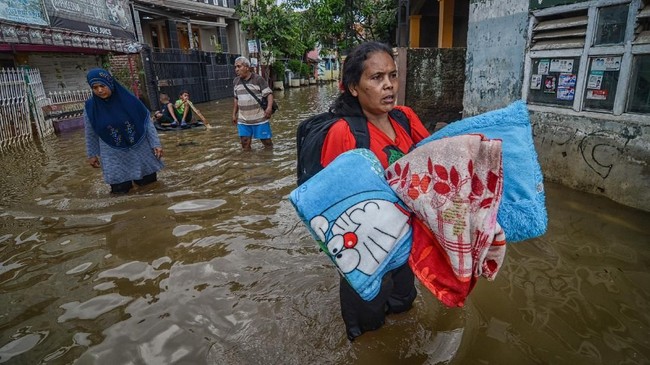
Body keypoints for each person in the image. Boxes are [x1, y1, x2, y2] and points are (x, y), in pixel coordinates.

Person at [320, 41, 431, 341]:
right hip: (365, 253)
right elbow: (332, 205)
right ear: (354, 88)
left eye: (392, 76)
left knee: (405, 307)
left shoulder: (405, 117)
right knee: (368, 332)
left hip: (404, 244)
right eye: (377, 77)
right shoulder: (343, 133)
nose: (389, 85)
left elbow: (431, 163)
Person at [84, 68, 164, 194]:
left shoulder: (130, 101)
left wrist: (156, 143)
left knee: (150, 187)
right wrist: (92, 154)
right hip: (112, 153)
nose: (99, 90)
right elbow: (90, 132)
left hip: (139, 148)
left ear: (110, 83)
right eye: (95, 87)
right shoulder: (90, 107)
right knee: (119, 191)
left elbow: (146, 122)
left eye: (102, 86)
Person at [232, 56, 274, 150]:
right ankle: (248, 163)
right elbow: (236, 99)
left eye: (239, 66)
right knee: (245, 144)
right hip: (243, 119)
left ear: (247, 67)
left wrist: (269, 108)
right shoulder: (236, 81)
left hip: (259, 118)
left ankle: (268, 160)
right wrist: (234, 114)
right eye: (235, 67)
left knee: (267, 143)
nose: (236, 69)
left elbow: (269, 94)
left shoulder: (258, 79)